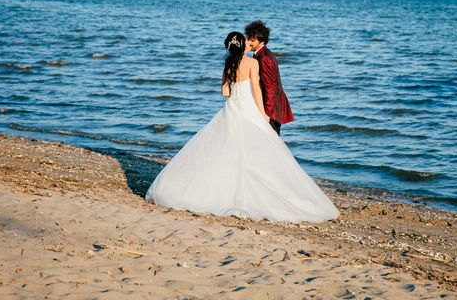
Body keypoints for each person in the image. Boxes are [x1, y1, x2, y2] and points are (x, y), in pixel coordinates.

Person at [145, 32, 339, 223]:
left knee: (225, 147)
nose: (248, 42)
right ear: (242, 45)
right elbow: (256, 88)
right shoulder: (252, 63)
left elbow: (224, 92)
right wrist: (263, 113)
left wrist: (235, 88)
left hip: (232, 108)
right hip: (248, 108)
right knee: (259, 146)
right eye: (245, 40)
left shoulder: (228, 64)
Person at [244, 21, 293, 135]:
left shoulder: (264, 58)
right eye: (249, 38)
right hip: (271, 108)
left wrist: (265, 114)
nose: (249, 42)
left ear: (260, 40)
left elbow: (270, 88)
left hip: (271, 111)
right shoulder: (260, 54)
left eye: (252, 39)